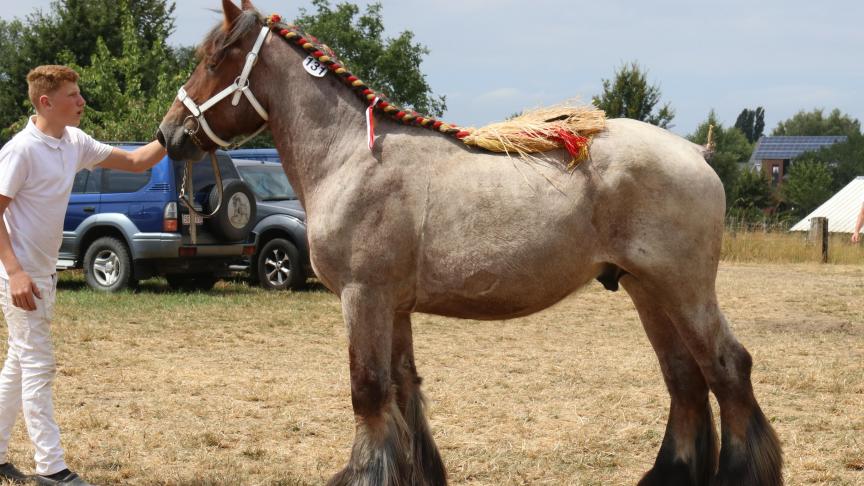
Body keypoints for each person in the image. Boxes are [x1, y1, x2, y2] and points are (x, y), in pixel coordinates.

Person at [0, 65, 166, 485]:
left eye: (79, 93)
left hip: (44, 273)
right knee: (38, 364)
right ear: (45, 102)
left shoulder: (73, 141)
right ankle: (51, 470)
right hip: (16, 277)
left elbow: (135, 159)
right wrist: (15, 272)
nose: (82, 101)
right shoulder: (20, 150)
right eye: (73, 95)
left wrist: (175, 129)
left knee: (20, 363)